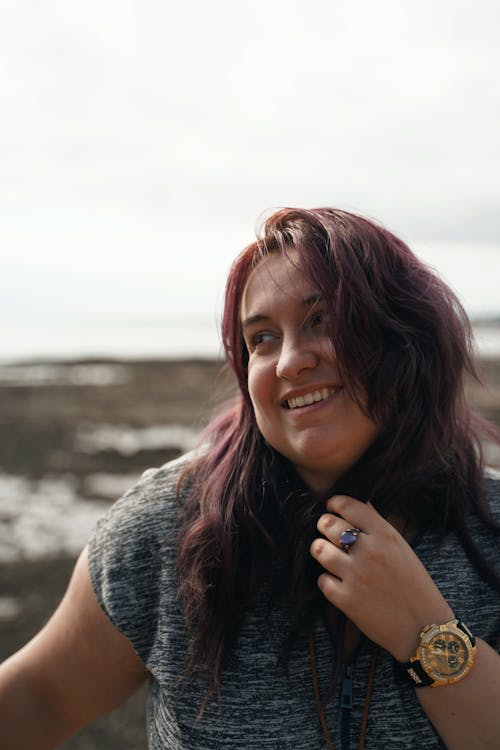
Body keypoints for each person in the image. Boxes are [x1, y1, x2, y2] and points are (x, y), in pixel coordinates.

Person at [1, 207, 500, 749]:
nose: (288, 362)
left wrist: (426, 634)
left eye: (322, 319)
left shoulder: (491, 528)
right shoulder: (169, 528)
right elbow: (42, 694)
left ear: (407, 336)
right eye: (261, 338)